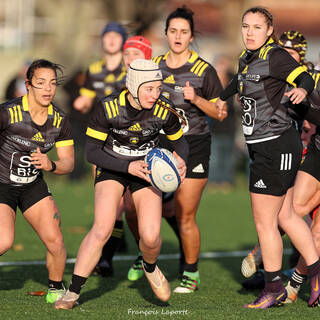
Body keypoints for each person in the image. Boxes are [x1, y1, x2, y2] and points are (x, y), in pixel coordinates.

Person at [54, 59, 189, 309]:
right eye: (149, 89)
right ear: (133, 87)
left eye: (158, 88)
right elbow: (92, 153)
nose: (155, 94)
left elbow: (180, 142)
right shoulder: (107, 107)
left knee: (150, 236)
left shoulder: (163, 109)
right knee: (102, 229)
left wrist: (182, 159)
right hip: (112, 167)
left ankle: (149, 266)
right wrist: (128, 166)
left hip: (147, 170)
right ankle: (72, 292)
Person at [216, 8, 320, 309]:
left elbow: (304, 78)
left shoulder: (275, 55)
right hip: (266, 146)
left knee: (266, 222)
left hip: (275, 144)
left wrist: (301, 89)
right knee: (286, 215)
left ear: (269, 30)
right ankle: (314, 273)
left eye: (257, 27)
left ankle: (273, 287)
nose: (250, 32)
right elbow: (238, 82)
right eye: (245, 26)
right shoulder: (246, 57)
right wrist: (216, 99)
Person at [150, 6, 226, 293]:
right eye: (173, 31)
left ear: (191, 35)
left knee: (185, 213)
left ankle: (190, 274)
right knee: (142, 207)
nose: (178, 36)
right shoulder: (154, 65)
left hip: (194, 144)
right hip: (159, 145)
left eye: (184, 32)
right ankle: (144, 260)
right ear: (166, 33)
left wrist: (197, 100)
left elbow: (220, 113)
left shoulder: (203, 70)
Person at [0, 59, 74, 304]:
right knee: (4, 241)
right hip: (2, 184)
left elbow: (68, 163)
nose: (47, 89)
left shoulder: (60, 121)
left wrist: (50, 165)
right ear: (28, 85)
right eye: (41, 83)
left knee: (55, 239)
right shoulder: (7, 112)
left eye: (52, 83)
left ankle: (55, 287)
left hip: (32, 185)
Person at [95, 35, 154, 278]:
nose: (129, 58)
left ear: (147, 58)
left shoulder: (154, 85)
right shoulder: (117, 82)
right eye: (127, 53)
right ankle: (105, 259)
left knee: (138, 211)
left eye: (135, 54)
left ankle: (150, 255)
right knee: (113, 208)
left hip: (145, 157)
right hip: (111, 152)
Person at [73, 22, 127, 115]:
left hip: (125, 124)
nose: (112, 39)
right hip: (100, 123)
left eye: (117, 35)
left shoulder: (129, 69)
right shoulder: (93, 69)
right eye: (108, 35)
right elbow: (87, 97)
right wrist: (84, 103)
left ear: (123, 41)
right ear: (102, 40)